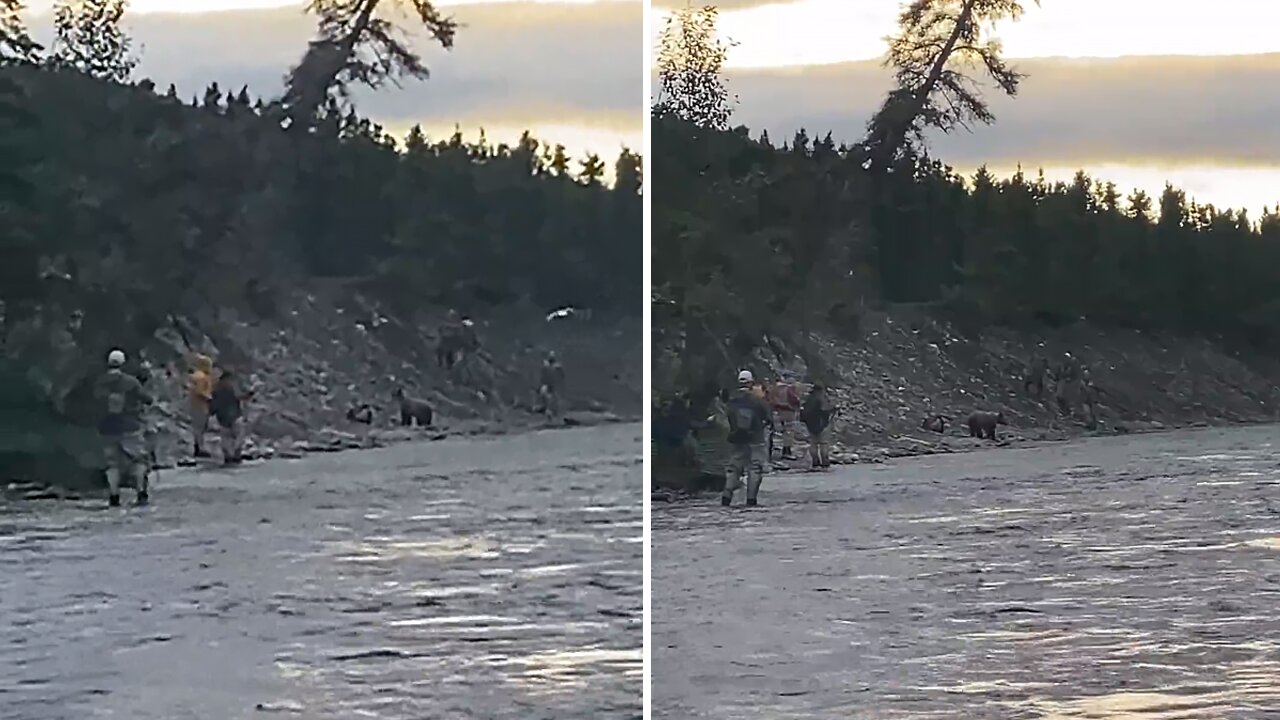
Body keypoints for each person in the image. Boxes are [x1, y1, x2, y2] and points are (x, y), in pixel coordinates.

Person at [93, 349, 152, 507]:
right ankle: (141, 493)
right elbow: (147, 399)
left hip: (107, 428)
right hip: (130, 426)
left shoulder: (100, 382)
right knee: (139, 459)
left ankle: (114, 495)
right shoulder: (131, 381)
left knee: (112, 464)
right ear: (123, 363)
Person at [722, 370, 773, 507]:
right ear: (751, 382)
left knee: (734, 468)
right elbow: (769, 418)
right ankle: (751, 500)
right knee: (755, 468)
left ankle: (726, 496)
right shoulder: (757, 401)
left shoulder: (732, 401)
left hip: (737, 439)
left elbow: (727, 418)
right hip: (756, 439)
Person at [209, 368, 252, 465]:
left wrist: (212, 413)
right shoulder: (230, 388)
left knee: (226, 439)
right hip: (234, 416)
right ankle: (235, 455)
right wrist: (249, 394)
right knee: (239, 436)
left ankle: (229, 458)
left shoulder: (216, 389)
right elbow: (239, 397)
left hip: (223, 417)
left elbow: (212, 403)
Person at [800, 383, 835, 470]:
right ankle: (825, 461)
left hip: (810, 425)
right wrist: (833, 410)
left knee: (813, 443)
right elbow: (824, 411)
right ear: (821, 390)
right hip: (821, 424)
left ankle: (815, 461)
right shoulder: (821, 399)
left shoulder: (809, 399)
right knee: (824, 443)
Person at [770, 375, 803, 460]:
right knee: (788, 432)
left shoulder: (773, 389)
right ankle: (786, 451)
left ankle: (773, 452)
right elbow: (795, 400)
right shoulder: (789, 389)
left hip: (777, 412)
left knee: (776, 433)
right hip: (789, 412)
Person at [188, 354, 215, 458]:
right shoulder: (202, 377)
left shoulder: (196, 375)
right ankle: (200, 447)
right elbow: (199, 391)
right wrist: (209, 398)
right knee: (200, 427)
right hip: (201, 405)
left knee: (197, 427)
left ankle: (198, 446)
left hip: (194, 404)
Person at [537, 350, 566, 421]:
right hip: (548, 385)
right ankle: (550, 414)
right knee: (548, 399)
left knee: (552, 400)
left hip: (551, 385)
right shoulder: (548, 366)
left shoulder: (556, 367)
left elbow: (562, 375)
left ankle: (552, 415)